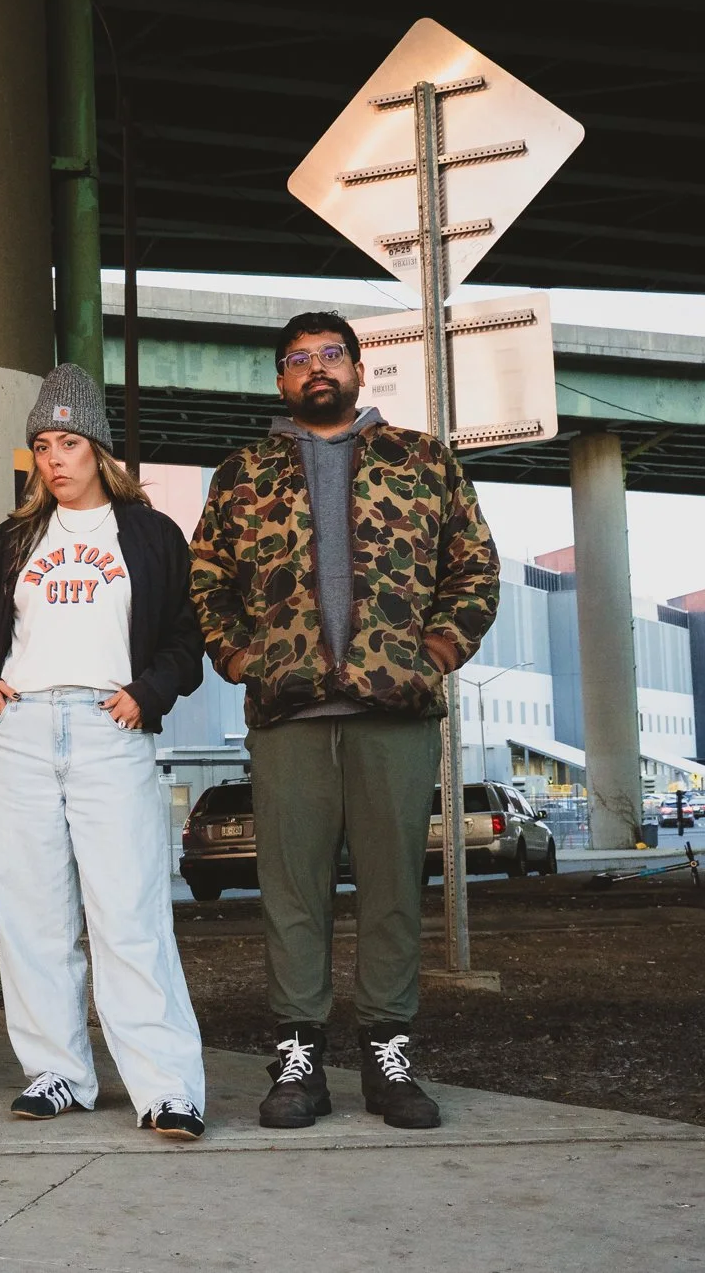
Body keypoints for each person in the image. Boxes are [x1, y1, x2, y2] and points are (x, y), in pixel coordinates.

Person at [189, 311, 500, 1131]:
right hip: (287, 713)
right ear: (280, 380)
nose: (316, 369)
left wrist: (431, 653)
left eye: (332, 355)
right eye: (298, 360)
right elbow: (207, 580)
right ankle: (298, 1053)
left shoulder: (423, 460)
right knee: (292, 890)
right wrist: (236, 658)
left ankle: (388, 1052)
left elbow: (475, 567)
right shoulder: (242, 472)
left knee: (394, 887)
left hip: (392, 713)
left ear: (361, 370)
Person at [0, 364, 210, 1140]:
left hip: (110, 727)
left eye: (68, 441)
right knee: (31, 912)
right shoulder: (14, 538)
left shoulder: (151, 534)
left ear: (98, 448)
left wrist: (147, 692)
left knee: (128, 911)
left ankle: (167, 1088)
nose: (54, 457)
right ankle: (58, 1071)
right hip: (23, 728)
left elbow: (185, 640)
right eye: (42, 444)